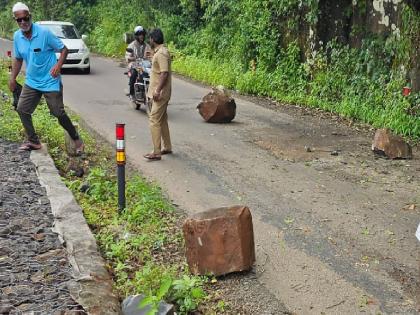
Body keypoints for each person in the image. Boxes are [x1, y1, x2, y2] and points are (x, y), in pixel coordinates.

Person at [8, 2, 84, 153]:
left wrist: (58, 66)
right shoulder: (17, 37)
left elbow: (64, 49)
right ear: (15, 20)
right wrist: (12, 78)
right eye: (19, 20)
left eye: (25, 18)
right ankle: (34, 141)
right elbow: (18, 59)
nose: (23, 22)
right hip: (32, 81)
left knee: (58, 112)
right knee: (22, 109)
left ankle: (76, 139)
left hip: (50, 80)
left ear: (30, 17)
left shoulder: (44, 33)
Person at [143, 28, 172, 161]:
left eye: (150, 39)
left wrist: (157, 90)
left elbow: (164, 72)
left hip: (160, 94)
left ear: (153, 39)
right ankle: (167, 146)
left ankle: (156, 152)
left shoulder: (161, 54)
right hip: (163, 92)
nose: (149, 41)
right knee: (163, 119)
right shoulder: (160, 52)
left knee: (154, 119)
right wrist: (152, 57)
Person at [125, 26, 152, 99]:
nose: (142, 36)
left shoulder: (147, 46)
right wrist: (132, 58)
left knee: (152, 74)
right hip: (134, 64)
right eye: (140, 35)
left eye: (143, 34)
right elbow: (127, 57)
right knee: (133, 73)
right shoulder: (131, 45)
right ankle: (132, 93)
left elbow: (151, 55)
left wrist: (151, 58)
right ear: (136, 35)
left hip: (144, 65)